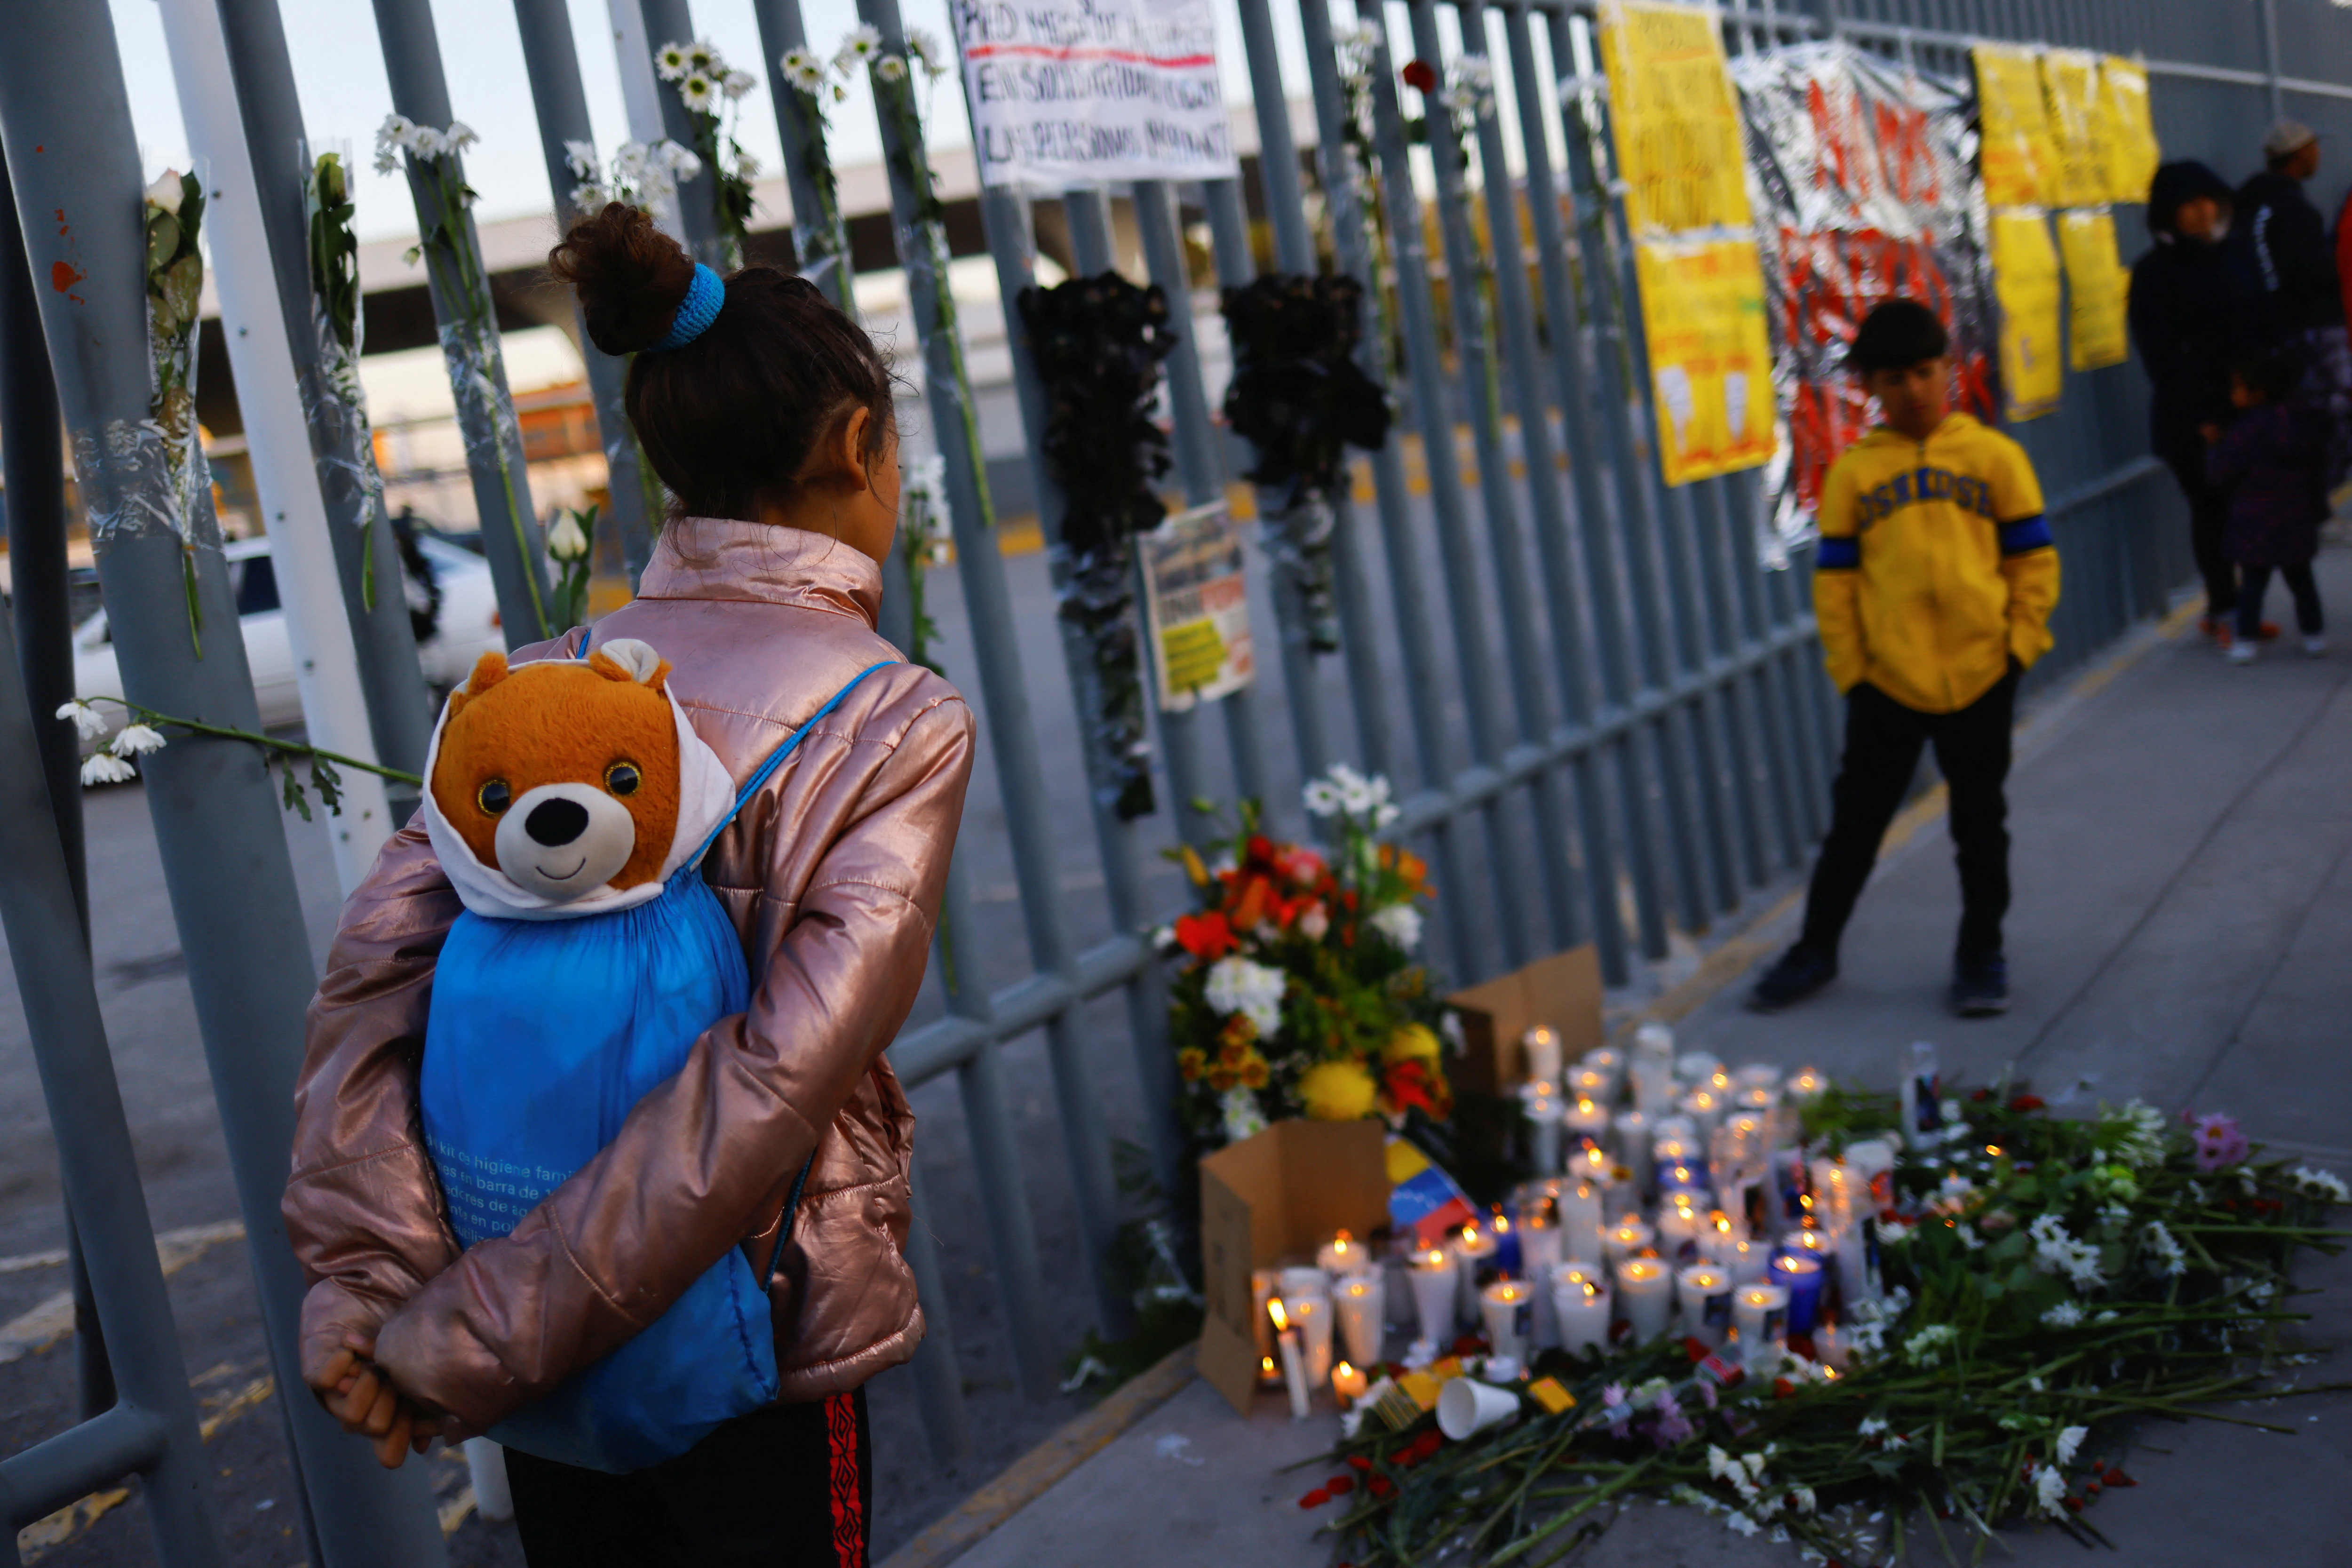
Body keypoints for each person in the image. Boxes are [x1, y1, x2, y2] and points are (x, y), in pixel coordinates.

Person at [280, 203, 975, 1568]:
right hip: (753, 1336)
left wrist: (376, 1286)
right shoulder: (895, 719)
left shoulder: (543, 680)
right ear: (857, 448)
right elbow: (774, 1079)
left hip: (531, 1346)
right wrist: (475, 1330)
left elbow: (371, 984)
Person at [1750, 300, 2059, 1018]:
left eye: (1926, 372)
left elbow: (2033, 561)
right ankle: (1816, 948)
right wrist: (1853, 670)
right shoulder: (1855, 476)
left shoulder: (1993, 459)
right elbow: (1836, 583)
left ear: (1949, 369)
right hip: (1887, 682)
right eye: (1895, 378)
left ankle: (1981, 952)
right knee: (1855, 825)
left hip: (1982, 672)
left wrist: (2018, 645)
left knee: (1980, 825)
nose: (1914, 389)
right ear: (1870, 386)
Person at [2129, 160, 2267, 642]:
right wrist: (2201, 417)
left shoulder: (2232, 255)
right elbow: (2159, 354)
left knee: (2250, 512)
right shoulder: (2153, 274)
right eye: (2189, 205)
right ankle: (2222, 610)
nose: (2202, 212)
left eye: (2209, 201)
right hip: (2193, 419)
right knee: (2211, 514)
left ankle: (2245, 609)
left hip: (2244, 408)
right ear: (2167, 214)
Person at [2238, 119, 2352, 488]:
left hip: (2302, 326)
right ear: (2300, 154)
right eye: (2313, 148)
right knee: (2331, 410)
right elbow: (2290, 271)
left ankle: (2320, 494)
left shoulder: (2268, 203)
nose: (2318, 155)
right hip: (2311, 327)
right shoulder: (2282, 206)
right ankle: (2322, 494)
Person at [2207, 346, 2330, 663]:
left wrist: (2214, 446)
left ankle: (2246, 641)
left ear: (2256, 393)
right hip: (2296, 516)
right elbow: (2317, 467)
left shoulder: (2244, 432)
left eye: (2238, 387)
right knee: (2302, 581)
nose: (2233, 393)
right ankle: (2314, 635)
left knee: (2252, 586)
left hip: (2255, 521)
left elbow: (2221, 472)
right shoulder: (2302, 424)